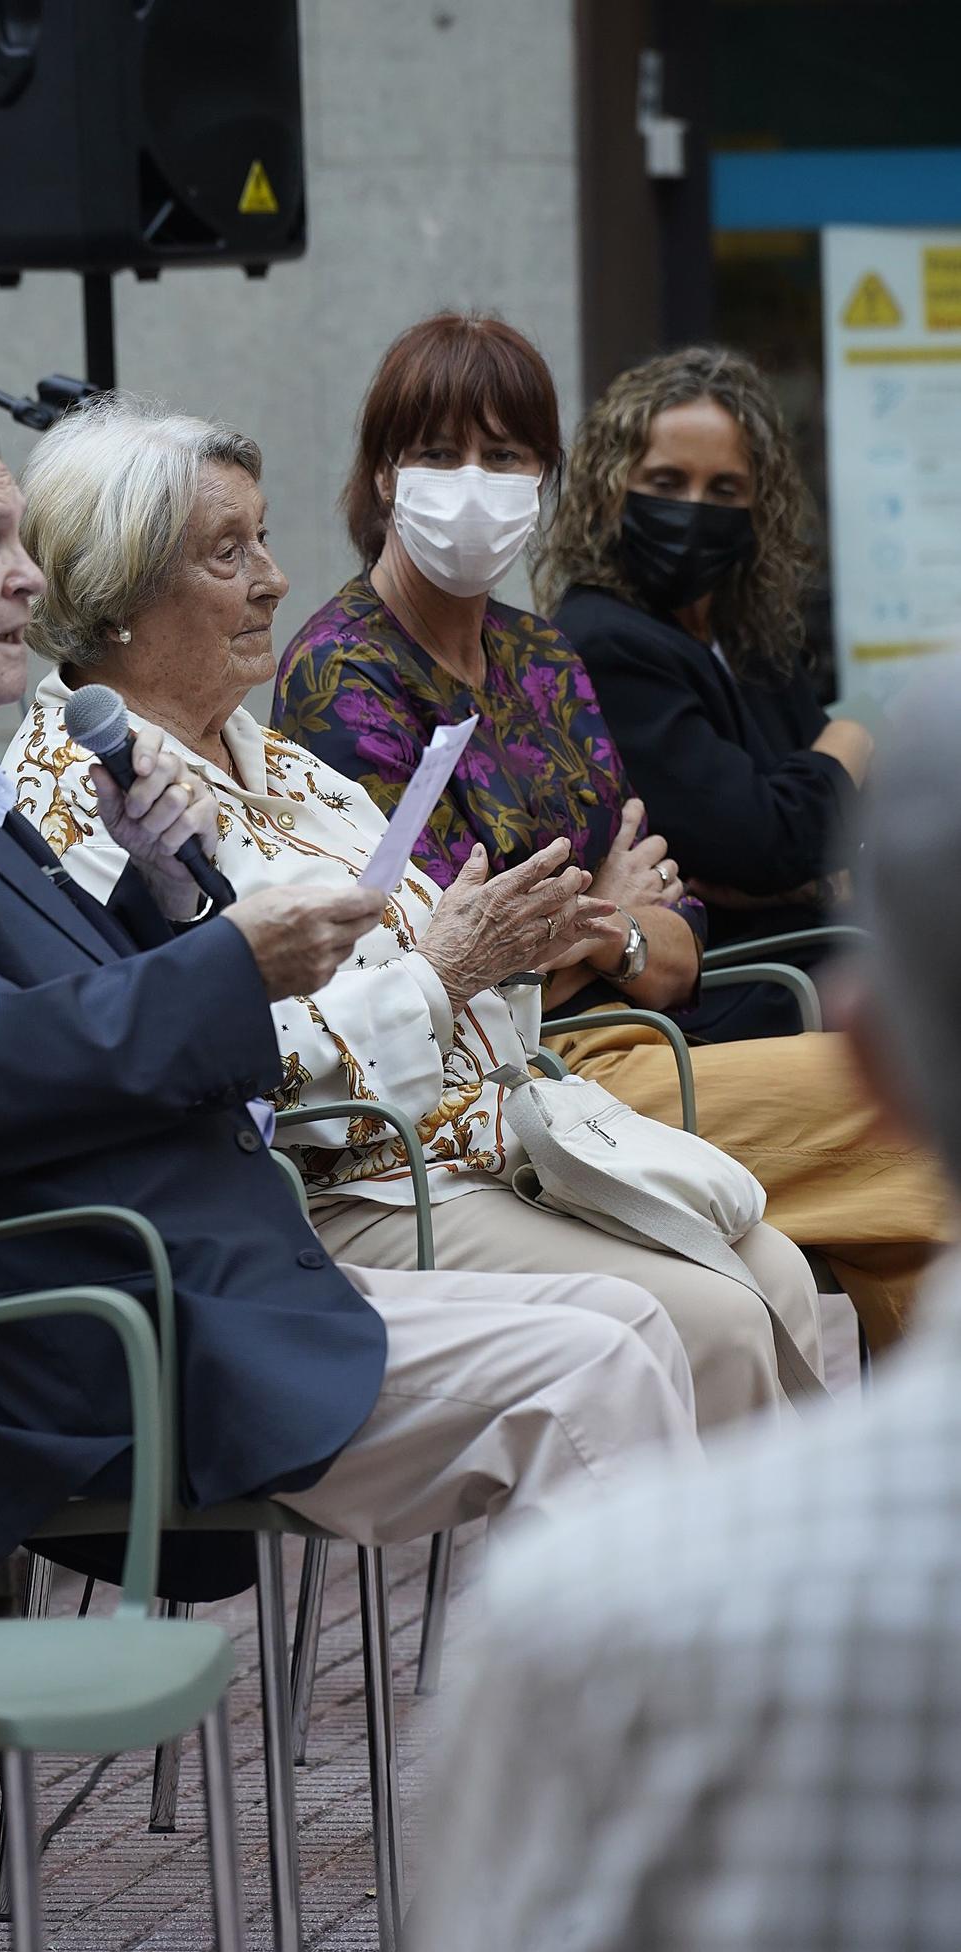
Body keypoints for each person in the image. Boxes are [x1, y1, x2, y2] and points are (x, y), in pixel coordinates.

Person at [0, 399, 702, 1596]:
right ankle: (645, 1781)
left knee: (637, 1328)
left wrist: (161, 902)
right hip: (63, 1335)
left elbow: (26, 1016)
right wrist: (228, 963)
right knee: (598, 1372)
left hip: (168, 1272)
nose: (29, 579)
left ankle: (627, 1762)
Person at [5, 393, 826, 1431]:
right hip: (328, 1188)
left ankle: (769, 1583)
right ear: (119, 590)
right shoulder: (82, 790)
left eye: (261, 536)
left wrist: (524, 939)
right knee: (704, 1316)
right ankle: (696, 1589)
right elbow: (190, 1048)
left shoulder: (275, 760)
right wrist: (450, 969)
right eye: (229, 552)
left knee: (775, 1269)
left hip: (477, 1132)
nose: (274, 575)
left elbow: (454, 967)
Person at [416, 679, 961, 1952]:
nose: (260, 574)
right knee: (731, 1280)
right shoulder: (346, 694)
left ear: (876, 1065)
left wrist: (590, 940)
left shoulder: (585, 1627)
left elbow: (681, 932)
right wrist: (602, 937)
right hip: (477, 1118)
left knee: (755, 1268)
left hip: (555, 1073)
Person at [271, 309, 950, 1352]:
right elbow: (435, 955)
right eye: (437, 451)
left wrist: (612, 933)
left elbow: (672, 931)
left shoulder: (538, 655)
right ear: (379, 478)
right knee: (901, 1115)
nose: (471, 480)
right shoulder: (339, 670)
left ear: (542, 476)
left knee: (902, 1213)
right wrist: (604, 918)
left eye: (502, 454)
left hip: (630, 1040)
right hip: (501, 1098)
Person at [540, 344, 872, 1042]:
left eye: (724, 489)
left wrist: (816, 853)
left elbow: (847, 833)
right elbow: (768, 843)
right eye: (666, 480)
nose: (694, 510)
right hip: (740, 997)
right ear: (611, 489)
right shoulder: (602, 639)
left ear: (760, 503)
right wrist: (854, 738)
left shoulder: (748, 635)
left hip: (829, 965)